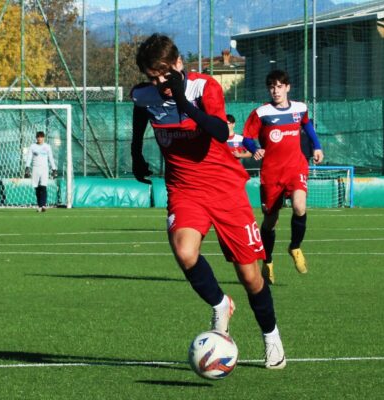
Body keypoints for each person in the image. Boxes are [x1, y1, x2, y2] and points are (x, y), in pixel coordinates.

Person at [131, 33, 285, 369]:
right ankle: (219, 304)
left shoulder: (205, 88)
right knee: (185, 251)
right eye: (152, 77)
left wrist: (184, 104)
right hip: (184, 188)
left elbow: (218, 130)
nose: (158, 83)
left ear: (178, 65)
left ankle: (271, 337)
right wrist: (136, 152)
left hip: (225, 189)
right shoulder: (145, 93)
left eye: (163, 75)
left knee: (250, 277)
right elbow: (141, 110)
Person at [242, 70, 324, 284]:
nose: (275, 91)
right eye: (271, 87)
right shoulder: (261, 113)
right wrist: (255, 148)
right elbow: (247, 138)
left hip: (296, 167)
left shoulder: (300, 108)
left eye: (279, 86)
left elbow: (307, 124)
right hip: (271, 173)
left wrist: (317, 146)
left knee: (300, 207)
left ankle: (295, 247)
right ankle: (267, 261)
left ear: (287, 87)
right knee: (271, 221)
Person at [24, 131, 57, 212]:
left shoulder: (47, 147)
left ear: (44, 138)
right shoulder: (33, 146)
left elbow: (51, 158)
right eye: (38, 137)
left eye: (41, 137)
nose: (40, 139)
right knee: (37, 187)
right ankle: (39, 205)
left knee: (43, 186)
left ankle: (43, 205)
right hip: (35, 168)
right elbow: (29, 157)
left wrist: (54, 169)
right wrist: (27, 167)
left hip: (44, 169)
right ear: (36, 138)